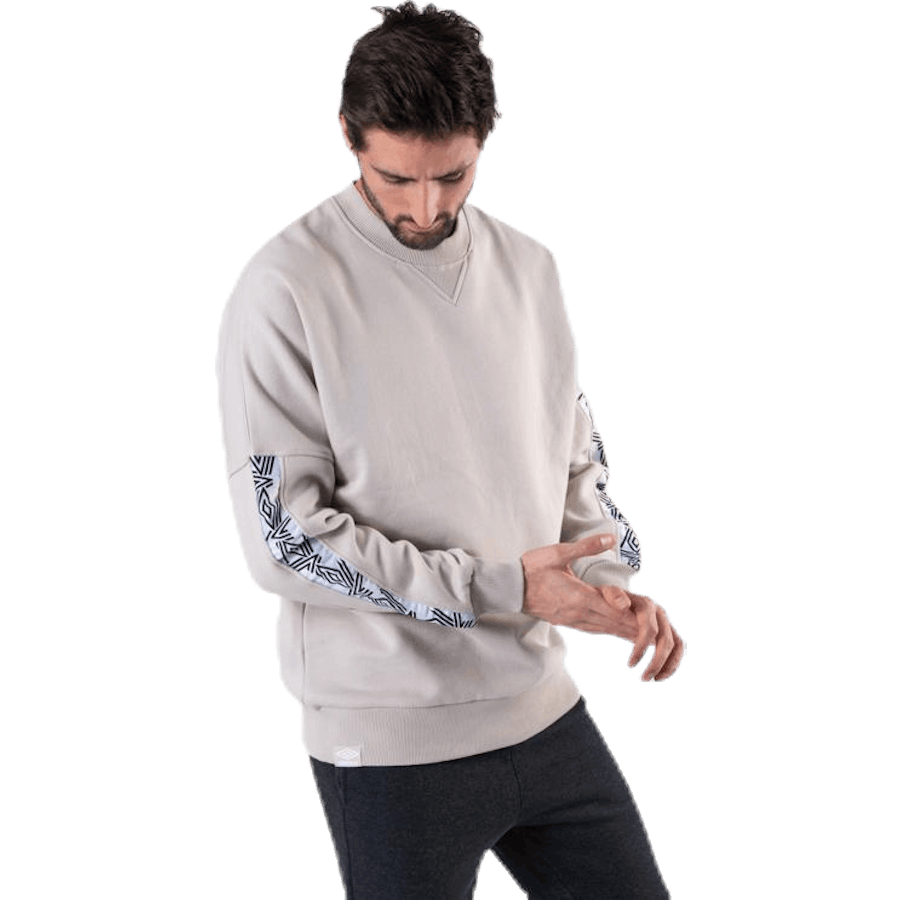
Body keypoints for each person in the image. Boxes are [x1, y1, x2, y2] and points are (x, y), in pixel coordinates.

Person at [215, 2, 685, 896]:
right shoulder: (285, 286)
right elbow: (284, 540)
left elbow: (573, 456)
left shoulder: (530, 267)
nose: (426, 207)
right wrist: (506, 589)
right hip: (390, 740)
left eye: (454, 175)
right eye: (396, 177)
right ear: (348, 135)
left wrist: (604, 584)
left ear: (485, 140)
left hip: (544, 710)